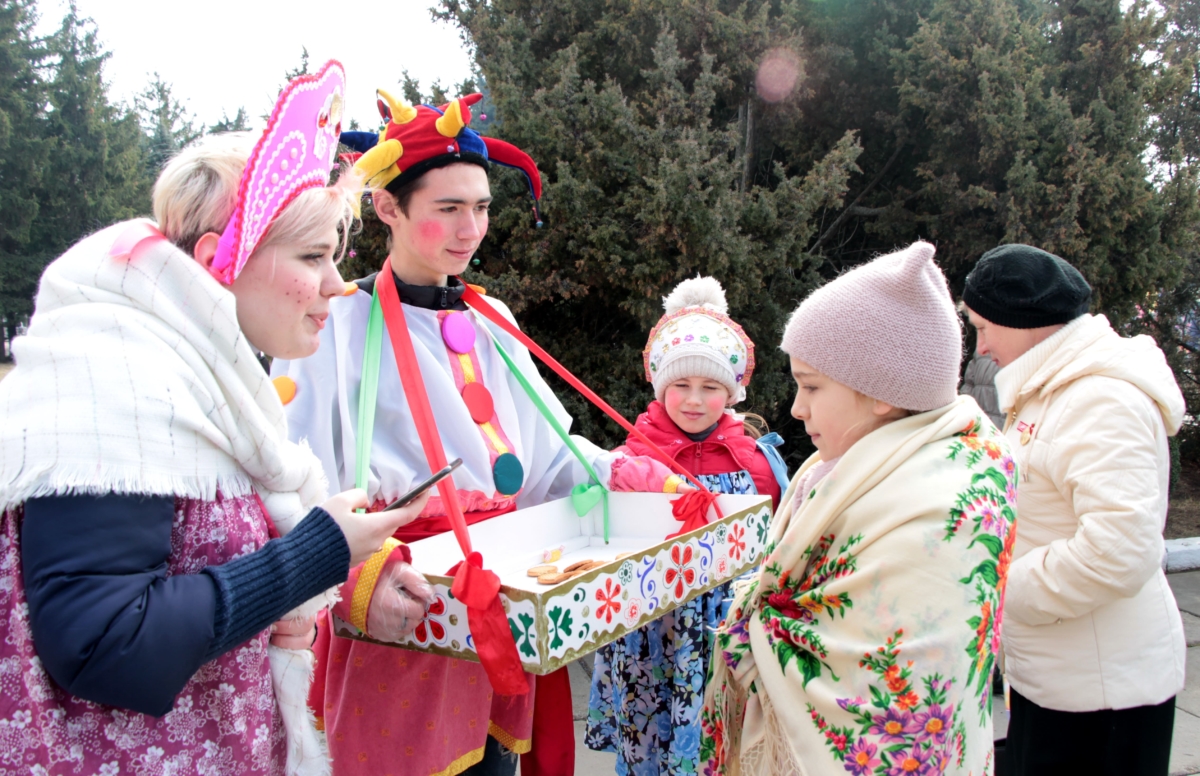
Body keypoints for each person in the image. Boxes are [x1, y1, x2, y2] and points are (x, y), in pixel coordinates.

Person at [0, 62, 431, 775]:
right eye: (313, 256)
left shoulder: (194, 375)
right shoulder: (114, 385)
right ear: (217, 260)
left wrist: (345, 569)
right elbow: (104, 644)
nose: (337, 284)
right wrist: (317, 553)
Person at [273, 89, 676, 776]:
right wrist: (358, 576)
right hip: (400, 604)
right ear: (389, 207)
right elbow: (291, 480)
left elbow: (547, 463)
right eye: (449, 208)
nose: (471, 229)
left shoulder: (494, 319)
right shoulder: (336, 321)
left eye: (482, 207)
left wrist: (621, 474)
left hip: (500, 599)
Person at [700, 241, 1016, 775]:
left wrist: (754, 630)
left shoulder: (930, 509)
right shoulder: (877, 466)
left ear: (880, 392)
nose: (797, 408)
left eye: (811, 386)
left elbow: (880, 690)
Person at [962, 243, 1185, 776]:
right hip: (1059, 674)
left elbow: (1120, 550)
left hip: (1103, 696)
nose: (981, 346)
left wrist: (999, 588)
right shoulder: (1051, 388)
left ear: (1024, 321)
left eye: (984, 327)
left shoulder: (1101, 400)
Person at [584, 276, 787, 774]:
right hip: (650, 632)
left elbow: (776, 542)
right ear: (660, 386)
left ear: (731, 392)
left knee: (721, 745)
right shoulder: (631, 458)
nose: (694, 399)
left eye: (710, 388)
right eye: (681, 385)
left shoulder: (755, 463)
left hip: (723, 632)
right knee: (649, 741)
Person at [961, 351, 1004, 429]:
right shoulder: (981, 350)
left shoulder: (981, 350)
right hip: (997, 426)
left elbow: (968, 387)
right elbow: (969, 386)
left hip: (978, 424)